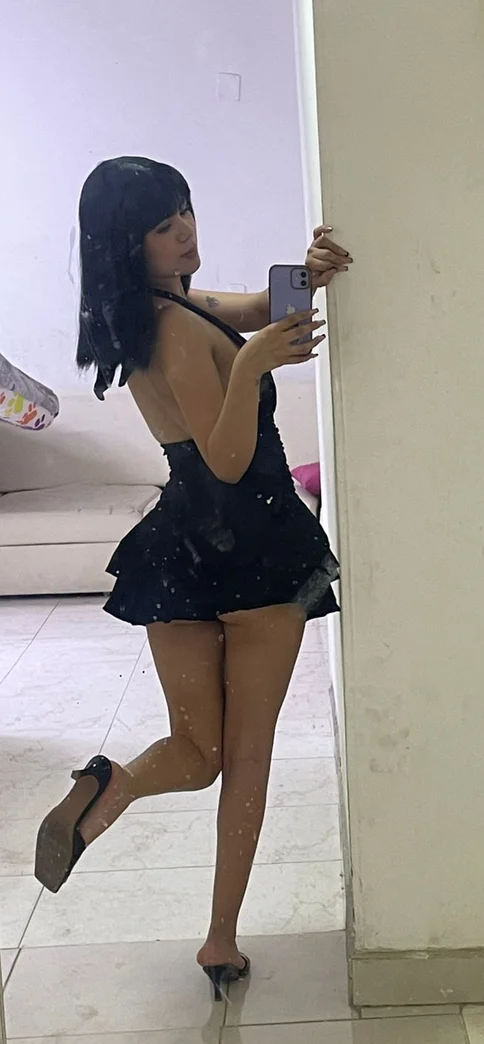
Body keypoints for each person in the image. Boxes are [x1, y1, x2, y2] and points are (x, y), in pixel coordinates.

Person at [33, 156, 352, 1000]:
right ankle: (220, 938)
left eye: (185, 210)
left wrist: (304, 276)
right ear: (125, 243)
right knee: (244, 757)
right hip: (256, 550)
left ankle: (109, 785)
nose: (184, 231)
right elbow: (229, 458)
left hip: (180, 547)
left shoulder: (159, 308)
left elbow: (258, 310)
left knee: (196, 749)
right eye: (161, 225)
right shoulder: (176, 328)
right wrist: (250, 369)